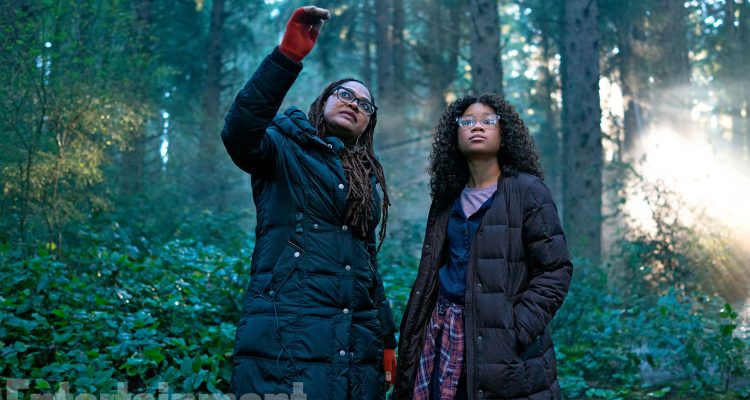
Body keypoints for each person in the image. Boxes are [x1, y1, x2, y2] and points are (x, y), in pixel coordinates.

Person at [220, 6, 397, 399]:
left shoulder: (364, 180)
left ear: (369, 124)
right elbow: (239, 132)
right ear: (324, 100)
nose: (354, 103)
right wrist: (287, 57)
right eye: (345, 94)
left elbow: (366, 264)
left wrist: (385, 341)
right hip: (286, 343)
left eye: (365, 105)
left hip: (354, 350)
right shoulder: (282, 147)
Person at [393, 94, 573, 399]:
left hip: (506, 352)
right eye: (468, 121)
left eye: (488, 120)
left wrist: (516, 328)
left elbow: (555, 270)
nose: (477, 126)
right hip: (442, 337)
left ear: (504, 134)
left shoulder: (528, 191)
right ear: (456, 134)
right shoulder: (446, 199)